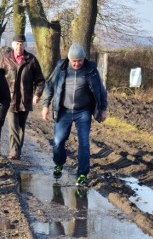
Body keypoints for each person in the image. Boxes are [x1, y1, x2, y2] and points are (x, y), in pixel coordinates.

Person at [41, 43, 107, 187]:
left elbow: (101, 90)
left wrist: (103, 108)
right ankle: (59, 163)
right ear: (69, 59)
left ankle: (82, 174)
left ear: (84, 59)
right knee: (58, 142)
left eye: (80, 61)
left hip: (83, 111)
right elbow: (50, 87)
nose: (77, 64)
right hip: (63, 111)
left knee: (84, 143)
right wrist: (46, 105)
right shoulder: (61, 68)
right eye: (74, 61)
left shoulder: (91, 70)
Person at [0, 34, 45, 160]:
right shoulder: (4, 59)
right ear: (13, 45)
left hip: (25, 99)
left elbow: (40, 80)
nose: (19, 46)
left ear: (25, 45)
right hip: (10, 99)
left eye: (21, 44)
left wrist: (37, 95)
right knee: (13, 125)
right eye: (17, 44)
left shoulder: (31, 59)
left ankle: (17, 149)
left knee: (21, 127)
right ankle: (14, 151)